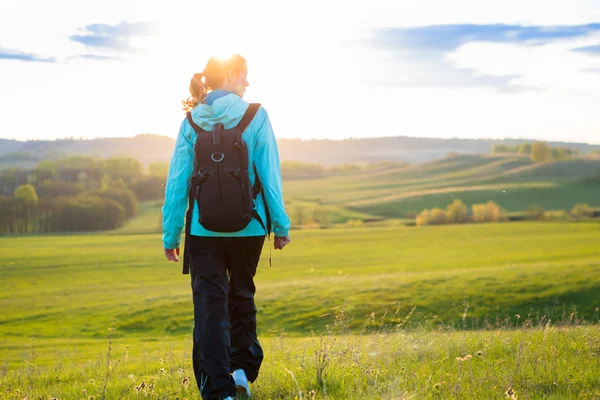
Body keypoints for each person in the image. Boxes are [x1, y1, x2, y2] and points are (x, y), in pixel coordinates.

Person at [162, 54, 291, 400]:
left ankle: (220, 390)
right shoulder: (256, 116)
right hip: (250, 228)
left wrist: (170, 233)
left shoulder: (192, 122)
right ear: (232, 75)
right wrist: (280, 225)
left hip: (204, 231)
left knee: (209, 306)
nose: (248, 83)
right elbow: (270, 174)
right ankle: (241, 373)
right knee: (242, 296)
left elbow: (177, 183)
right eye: (245, 75)